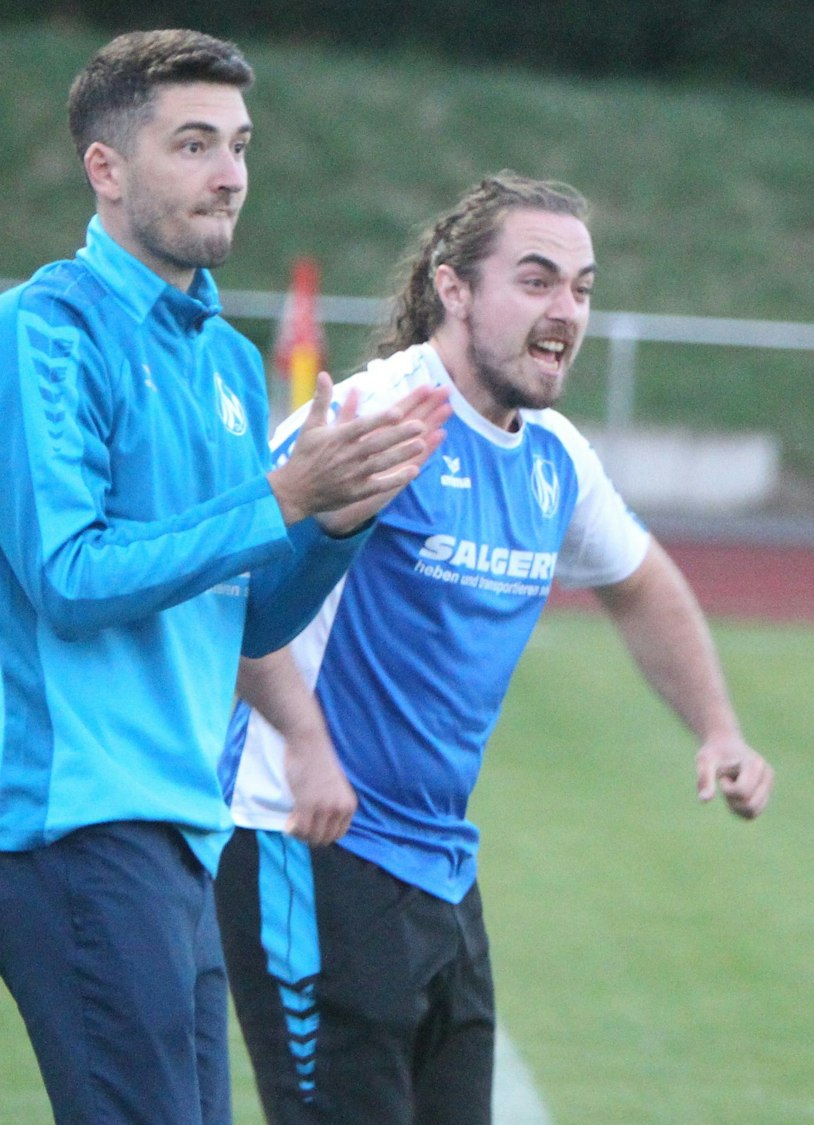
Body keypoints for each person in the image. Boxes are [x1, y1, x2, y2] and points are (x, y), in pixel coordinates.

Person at [213, 173, 774, 1124]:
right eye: (538, 280)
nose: (566, 312)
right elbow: (224, 591)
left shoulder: (553, 456)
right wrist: (304, 742)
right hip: (303, 847)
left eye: (583, 289)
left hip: (439, 872)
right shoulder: (371, 418)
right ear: (454, 288)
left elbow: (643, 584)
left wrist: (719, 727)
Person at [0, 30, 448, 1125]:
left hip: (178, 831)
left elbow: (243, 614)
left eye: (239, 144)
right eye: (193, 143)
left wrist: (333, 523)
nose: (229, 173)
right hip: (76, 825)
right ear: (105, 170)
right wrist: (283, 499)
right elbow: (67, 576)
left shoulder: (227, 360)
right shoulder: (42, 330)